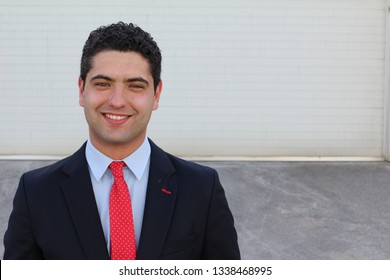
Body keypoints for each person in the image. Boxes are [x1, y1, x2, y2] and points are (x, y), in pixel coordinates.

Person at [3, 22, 240, 260]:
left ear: (156, 95)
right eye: (103, 84)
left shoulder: (201, 189)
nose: (117, 101)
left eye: (135, 86)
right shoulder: (36, 193)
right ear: (81, 89)